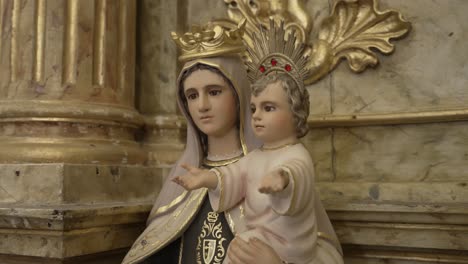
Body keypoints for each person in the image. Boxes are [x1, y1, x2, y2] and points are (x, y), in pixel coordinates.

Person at [122, 22, 287, 264]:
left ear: (239, 95)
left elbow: (322, 251)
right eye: (192, 96)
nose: (202, 106)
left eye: (214, 92)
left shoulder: (274, 172)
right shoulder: (182, 181)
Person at [174, 72, 344, 264]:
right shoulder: (256, 156)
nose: (256, 116)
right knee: (238, 250)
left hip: (289, 246)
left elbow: (297, 172)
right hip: (259, 235)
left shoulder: (296, 154)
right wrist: (208, 178)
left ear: (295, 112)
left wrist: (282, 179)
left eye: (268, 108)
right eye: (254, 109)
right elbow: (233, 176)